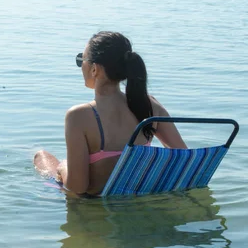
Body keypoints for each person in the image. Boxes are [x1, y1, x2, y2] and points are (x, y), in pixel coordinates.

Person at [34, 31, 187, 196]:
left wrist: (63, 168)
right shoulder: (150, 106)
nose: (81, 66)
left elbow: (77, 188)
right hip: (134, 197)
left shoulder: (78, 116)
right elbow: (184, 157)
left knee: (40, 156)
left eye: (81, 60)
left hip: (95, 204)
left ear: (94, 69)